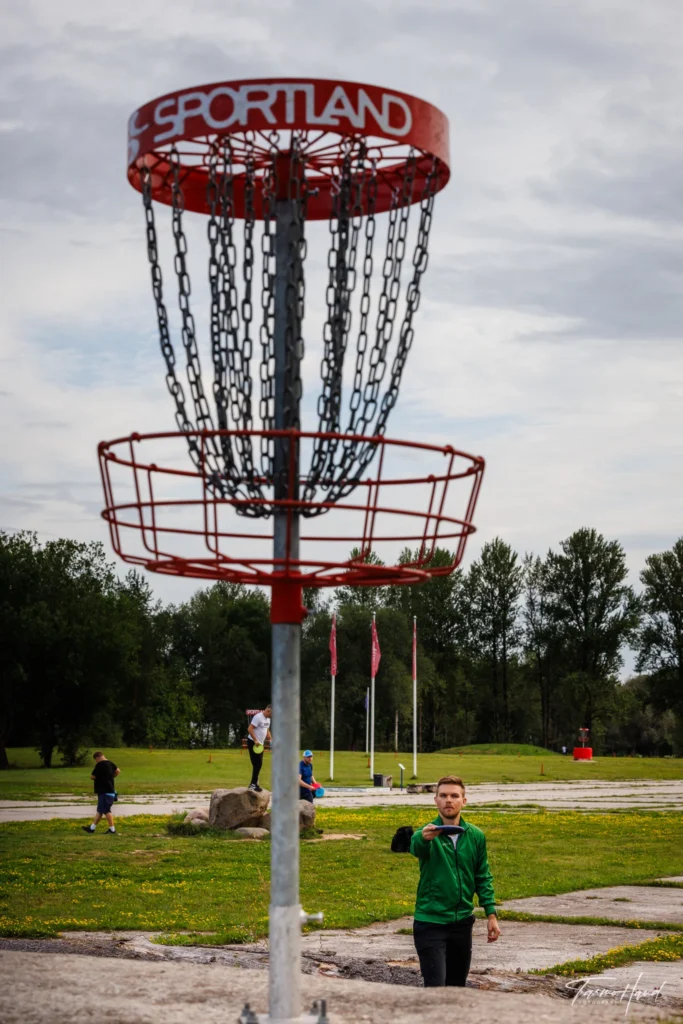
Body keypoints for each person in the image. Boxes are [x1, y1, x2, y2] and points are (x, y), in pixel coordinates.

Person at [410, 775, 500, 987]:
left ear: (464, 801)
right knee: (436, 988)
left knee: (457, 988)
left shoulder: (476, 836)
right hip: (431, 923)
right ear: (435, 800)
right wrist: (423, 838)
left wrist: (491, 913)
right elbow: (416, 846)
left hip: (462, 924)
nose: (448, 800)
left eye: (454, 796)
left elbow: (482, 875)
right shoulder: (427, 834)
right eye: (443, 795)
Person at [82, 751, 120, 835]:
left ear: (97, 757)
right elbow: (117, 771)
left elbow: (92, 776)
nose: (96, 761)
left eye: (96, 760)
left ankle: (112, 830)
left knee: (106, 810)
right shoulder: (110, 763)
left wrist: (99, 777)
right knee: (100, 810)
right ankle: (91, 828)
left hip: (104, 791)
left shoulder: (100, 765)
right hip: (110, 790)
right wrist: (110, 777)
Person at [247, 704, 272, 792]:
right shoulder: (258, 717)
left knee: (258, 764)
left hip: (260, 745)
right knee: (257, 764)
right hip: (253, 743)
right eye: (271, 714)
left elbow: (266, 729)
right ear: (268, 710)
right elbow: (250, 729)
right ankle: (253, 784)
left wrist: (271, 739)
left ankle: (254, 783)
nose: (272, 716)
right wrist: (255, 740)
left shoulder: (268, 719)